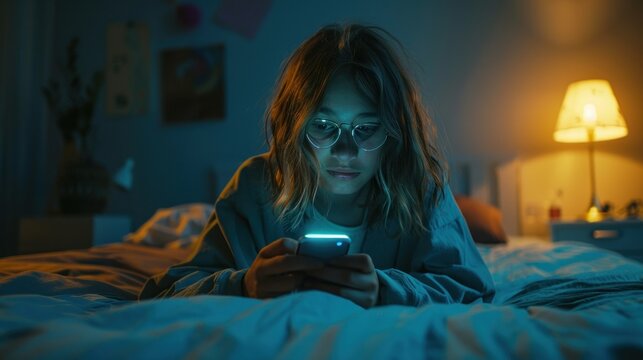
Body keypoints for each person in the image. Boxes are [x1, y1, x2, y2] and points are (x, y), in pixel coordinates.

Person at [140, 23, 495, 308]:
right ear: (295, 127)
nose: (344, 151)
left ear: (395, 130)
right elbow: (167, 289)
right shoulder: (255, 187)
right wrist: (243, 284)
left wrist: (385, 289)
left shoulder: (421, 187)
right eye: (323, 127)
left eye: (366, 129)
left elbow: (473, 286)